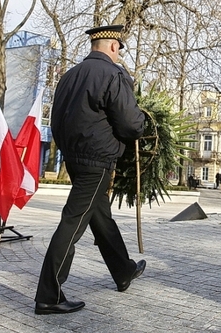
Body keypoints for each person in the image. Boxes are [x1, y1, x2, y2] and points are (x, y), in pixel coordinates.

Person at [34, 24, 146, 315]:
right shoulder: (113, 74)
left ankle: (123, 271)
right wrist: (141, 123)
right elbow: (131, 124)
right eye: (119, 49)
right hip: (97, 160)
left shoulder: (69, 76)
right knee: (73, 221)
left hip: (73, 157)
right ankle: (49, 294)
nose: (119, 54)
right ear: (113, 46)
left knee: (99, 215)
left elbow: (56, 119)